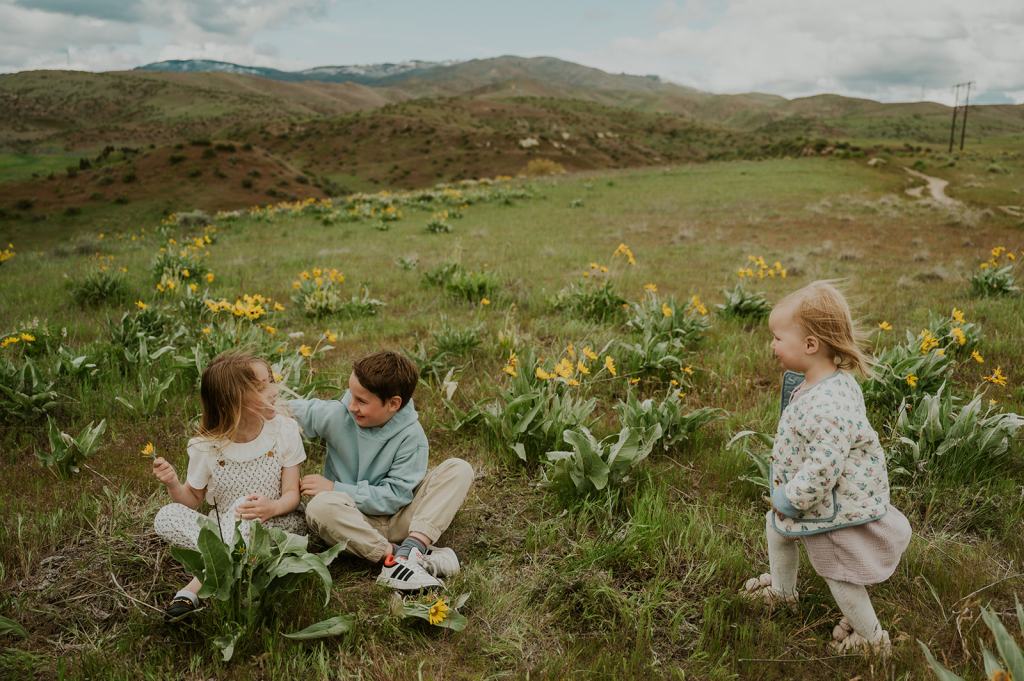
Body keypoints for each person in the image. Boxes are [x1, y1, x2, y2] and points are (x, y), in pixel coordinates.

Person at [740, 280, 911, 655]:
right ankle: (784, 594)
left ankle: (872, 638)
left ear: (811, 345)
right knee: (778, 530)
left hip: (831, 503)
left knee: (839, 571)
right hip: (828, 494)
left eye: (778, 338)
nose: (772, 345)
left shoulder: (827, 404)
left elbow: (824, 466)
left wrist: (791, 497)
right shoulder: (826, 381)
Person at [290, 350, 474, 591]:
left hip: (401, 517)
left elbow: (395, 497)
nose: (352, 406)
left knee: (459, 469)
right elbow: (294, 412)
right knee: (319, 508)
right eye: (351, 395)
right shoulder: (340, 414)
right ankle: (401, 558)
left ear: (393, 404)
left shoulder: (411, 437)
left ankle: (414, 546)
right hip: (353, 520)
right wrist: (261, 402)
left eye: (362, 401)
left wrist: (335, 488)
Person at [151, 350, 307, 620]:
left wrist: (273, 507)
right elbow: (192, 500)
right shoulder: (206, 447)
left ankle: (196, 587)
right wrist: (174, 484)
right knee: (166, 516)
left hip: (275, 525)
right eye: (262, 386)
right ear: (233, 401)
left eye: (271, 379)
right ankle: (231, 562)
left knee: (243, 509)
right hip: (224, 527)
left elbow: (293, 495)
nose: (274, 389)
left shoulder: (284, 430)